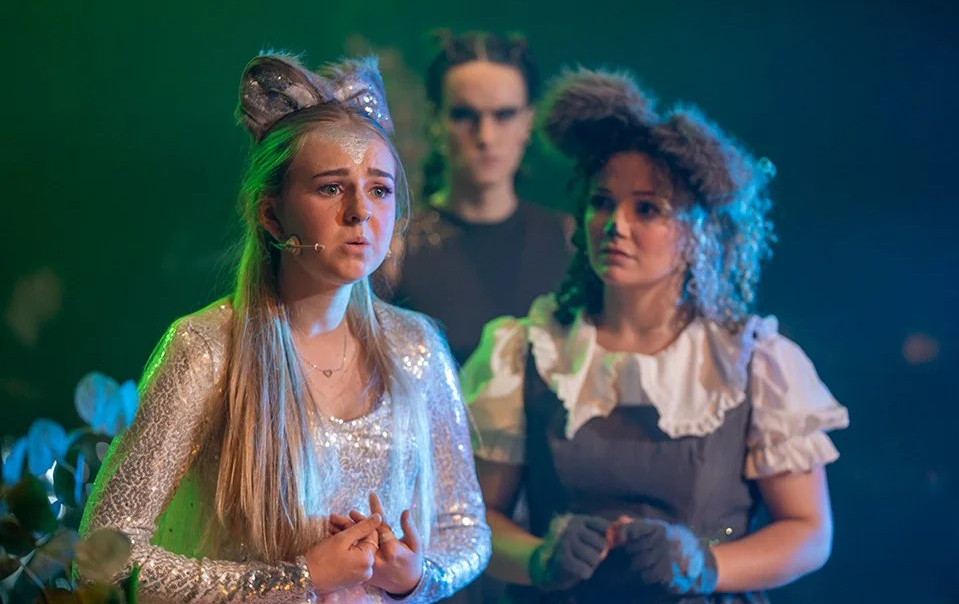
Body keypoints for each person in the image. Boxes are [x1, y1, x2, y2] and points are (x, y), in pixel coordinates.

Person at [79, 52, 490, 603]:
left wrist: (416, 577)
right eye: (330, 188)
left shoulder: (416, 346)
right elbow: (103, 556)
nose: (360, 212)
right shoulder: (207, 349)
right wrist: (297, 581)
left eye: (379, 189)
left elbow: (466, 531)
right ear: (272, 215)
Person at [462, 66, 850, 603]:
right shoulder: (526, 351)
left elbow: (809, 531)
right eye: (602, 201)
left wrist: (707, 564)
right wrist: (536, 557)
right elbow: (476, 518)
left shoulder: (752, 361)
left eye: (647, 208)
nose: (615, 224)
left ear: (697, 233)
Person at [387, 30, 570, 366]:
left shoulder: (570, 240)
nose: (486, 136)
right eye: (464, 115)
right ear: (434, 121)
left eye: (504, 115)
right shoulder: (395, 250)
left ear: (528, 122)